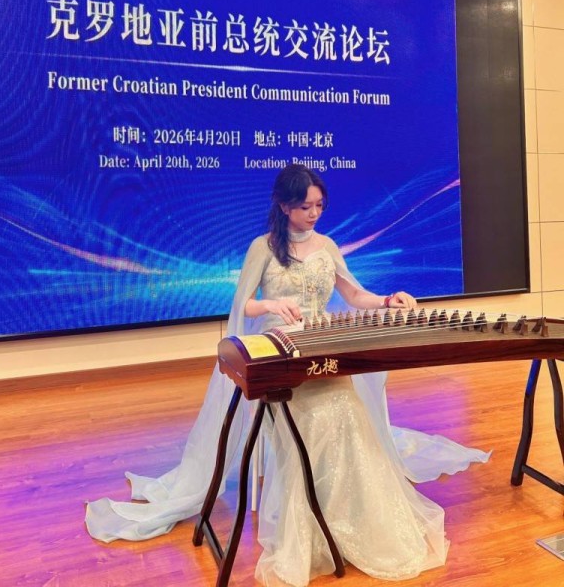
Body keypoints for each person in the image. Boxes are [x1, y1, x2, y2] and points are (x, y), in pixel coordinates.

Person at [86, 164, 489, 584]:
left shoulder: (327, 245)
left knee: (348, 411)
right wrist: (270, 305)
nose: (313, 214)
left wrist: (387, 300)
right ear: (283, 206)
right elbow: (243, 304)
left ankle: (351, 518)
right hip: (278, 349)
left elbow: (353, 293)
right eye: (304, 207)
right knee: (311, 421)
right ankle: (312, 524)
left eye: (319, 206)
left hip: (321, 344)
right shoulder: (262, 247)